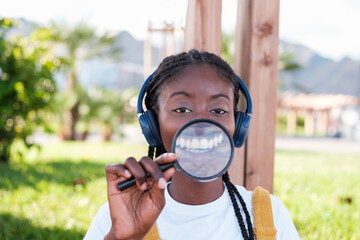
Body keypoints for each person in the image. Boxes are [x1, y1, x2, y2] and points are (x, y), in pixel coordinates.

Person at [84, 50, 300, 240]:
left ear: (238, 125)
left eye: (218, 110)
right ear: (153, 124)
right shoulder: (118, 215)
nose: (201, 124)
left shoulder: (270, 214)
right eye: (182, 109)